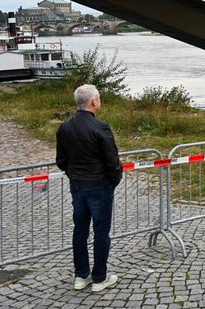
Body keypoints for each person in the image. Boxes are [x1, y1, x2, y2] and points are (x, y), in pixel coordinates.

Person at [55, 84, 122, 292]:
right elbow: (112, 160)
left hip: (78, 186)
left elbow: (61, 160)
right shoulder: (100, 127)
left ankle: (81, 275)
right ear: (94, 102)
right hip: (99, 186)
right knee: (101, 232)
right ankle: (100, 278)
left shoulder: (65, 127)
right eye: (99, 98)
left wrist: (74, 175)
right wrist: (113, 180)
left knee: (80, 231)